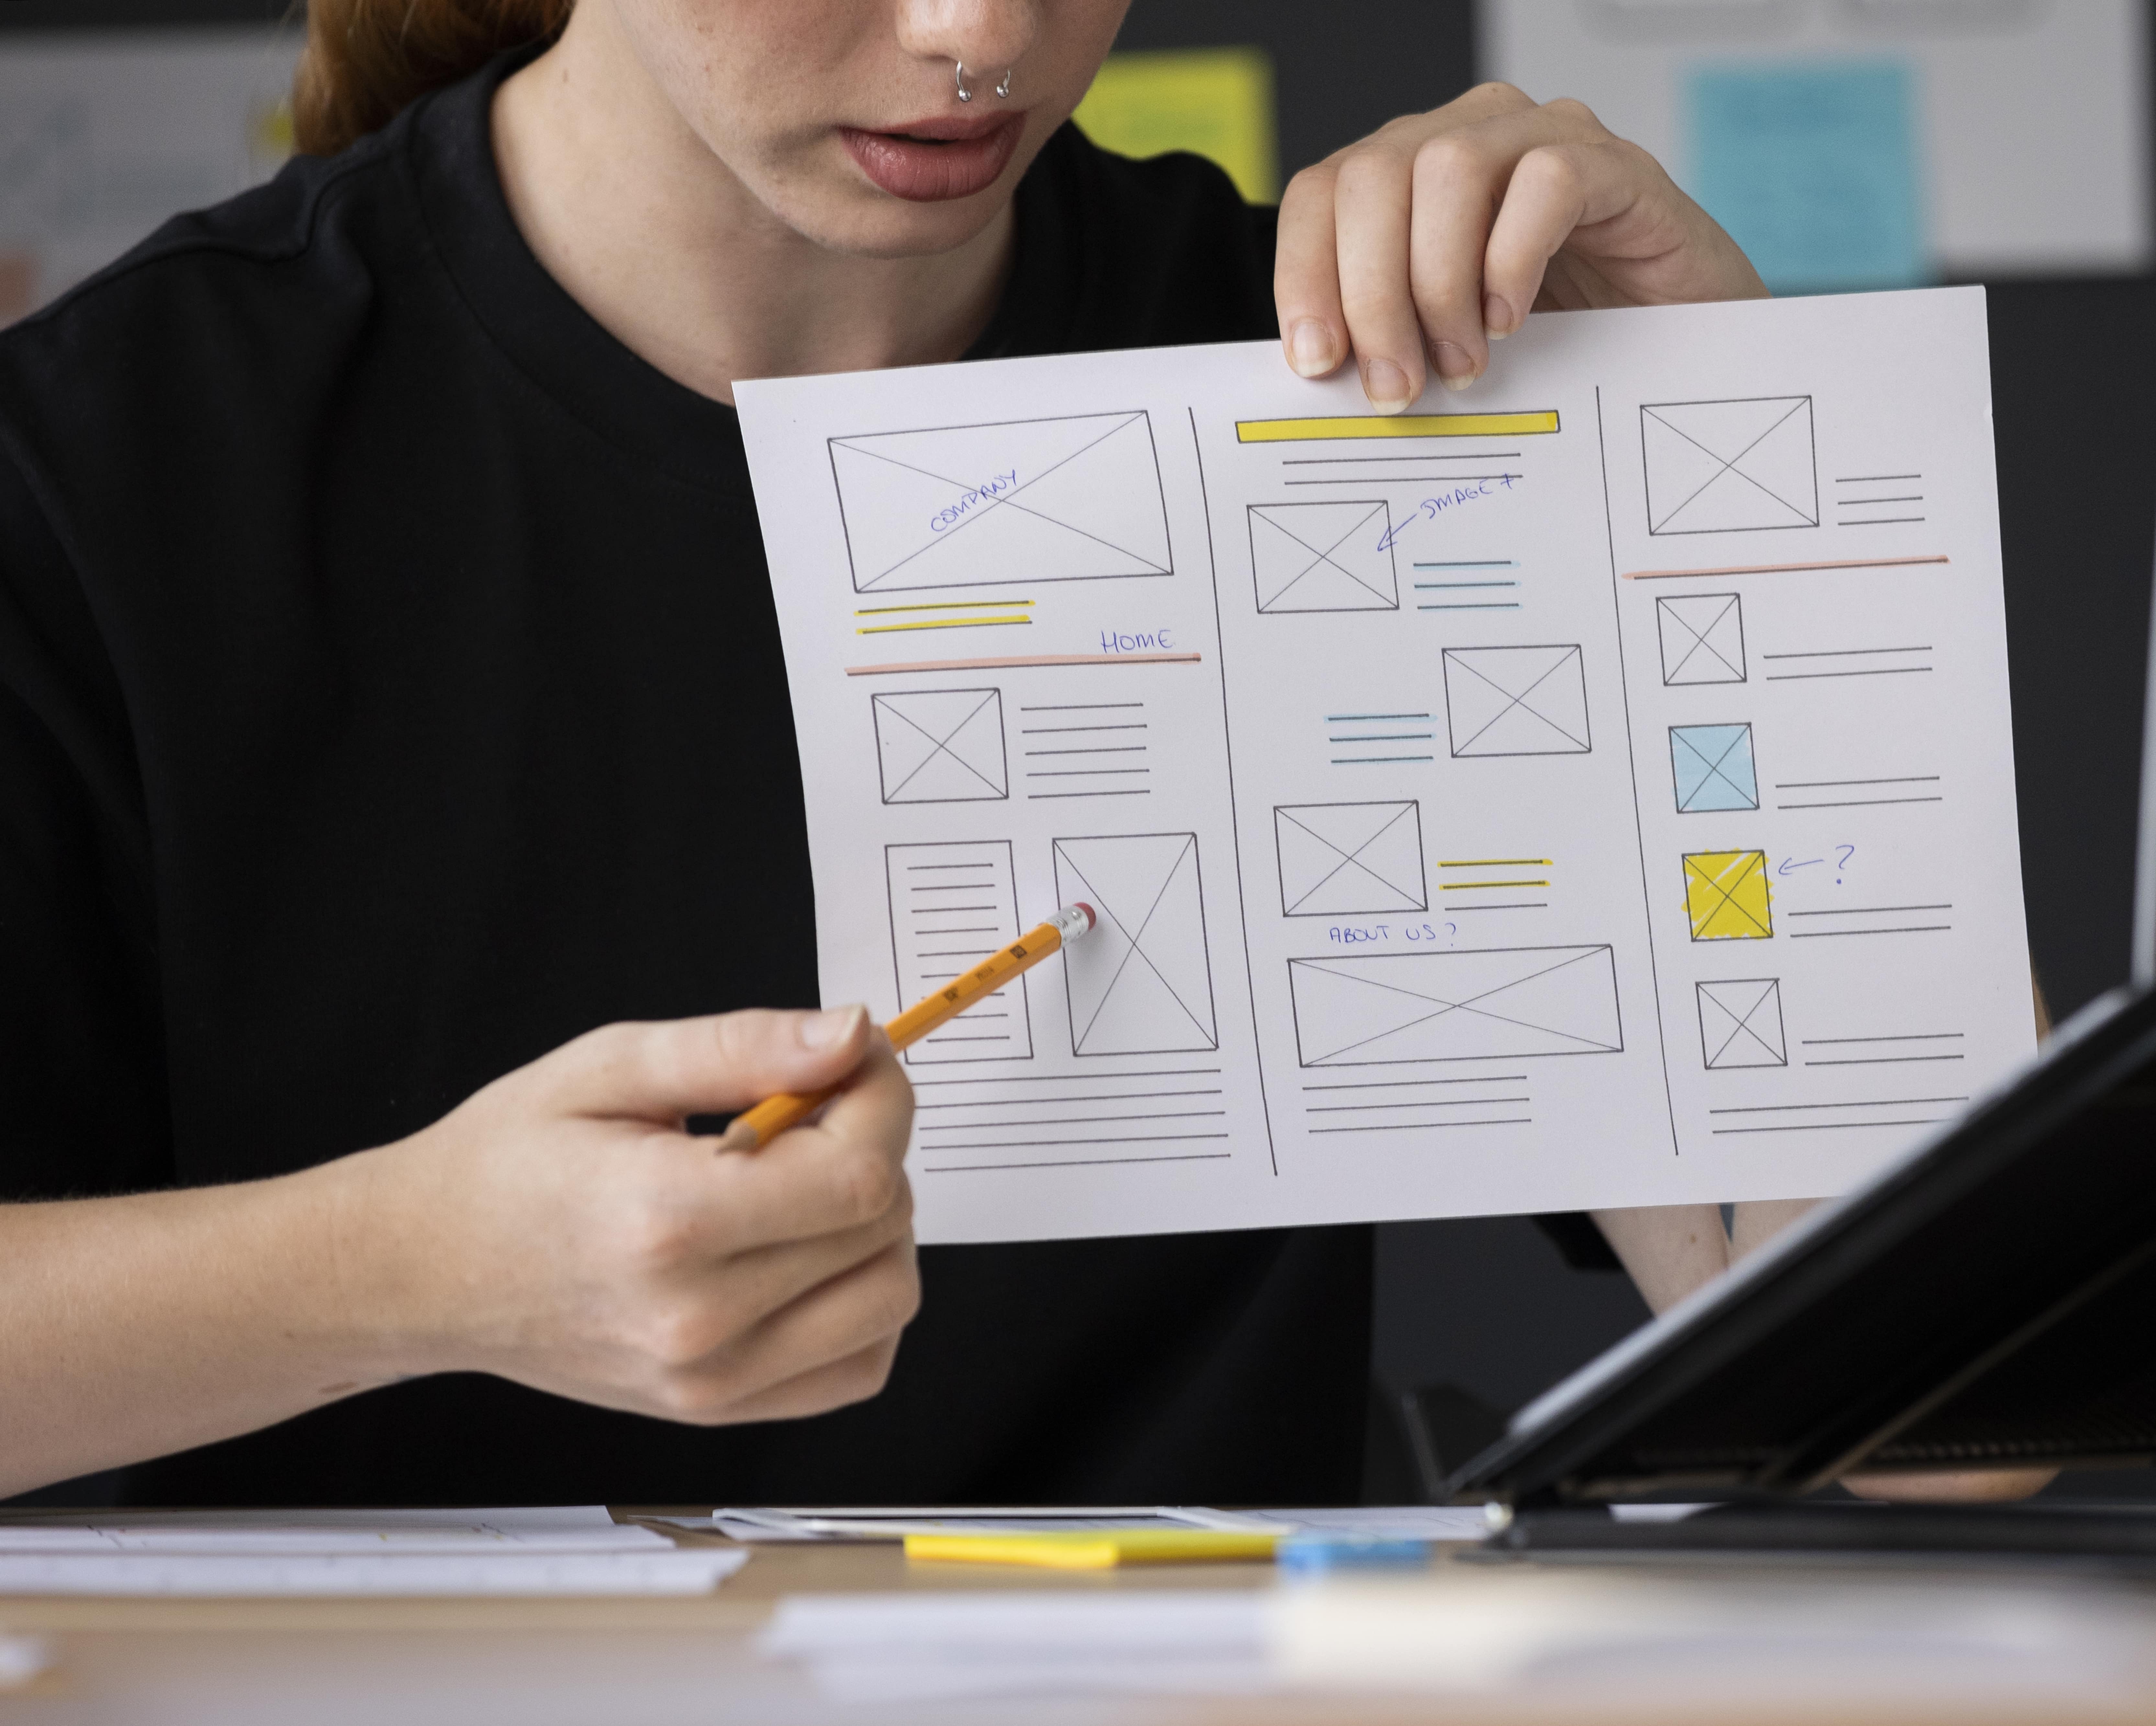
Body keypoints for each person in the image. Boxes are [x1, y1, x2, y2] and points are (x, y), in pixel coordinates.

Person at [0, 0, 2027, 1508]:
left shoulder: (1343, 380)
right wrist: (410, 1274)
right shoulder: (111, 473)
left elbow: (1943, 1435)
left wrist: (1720, 494)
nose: (981, 40)